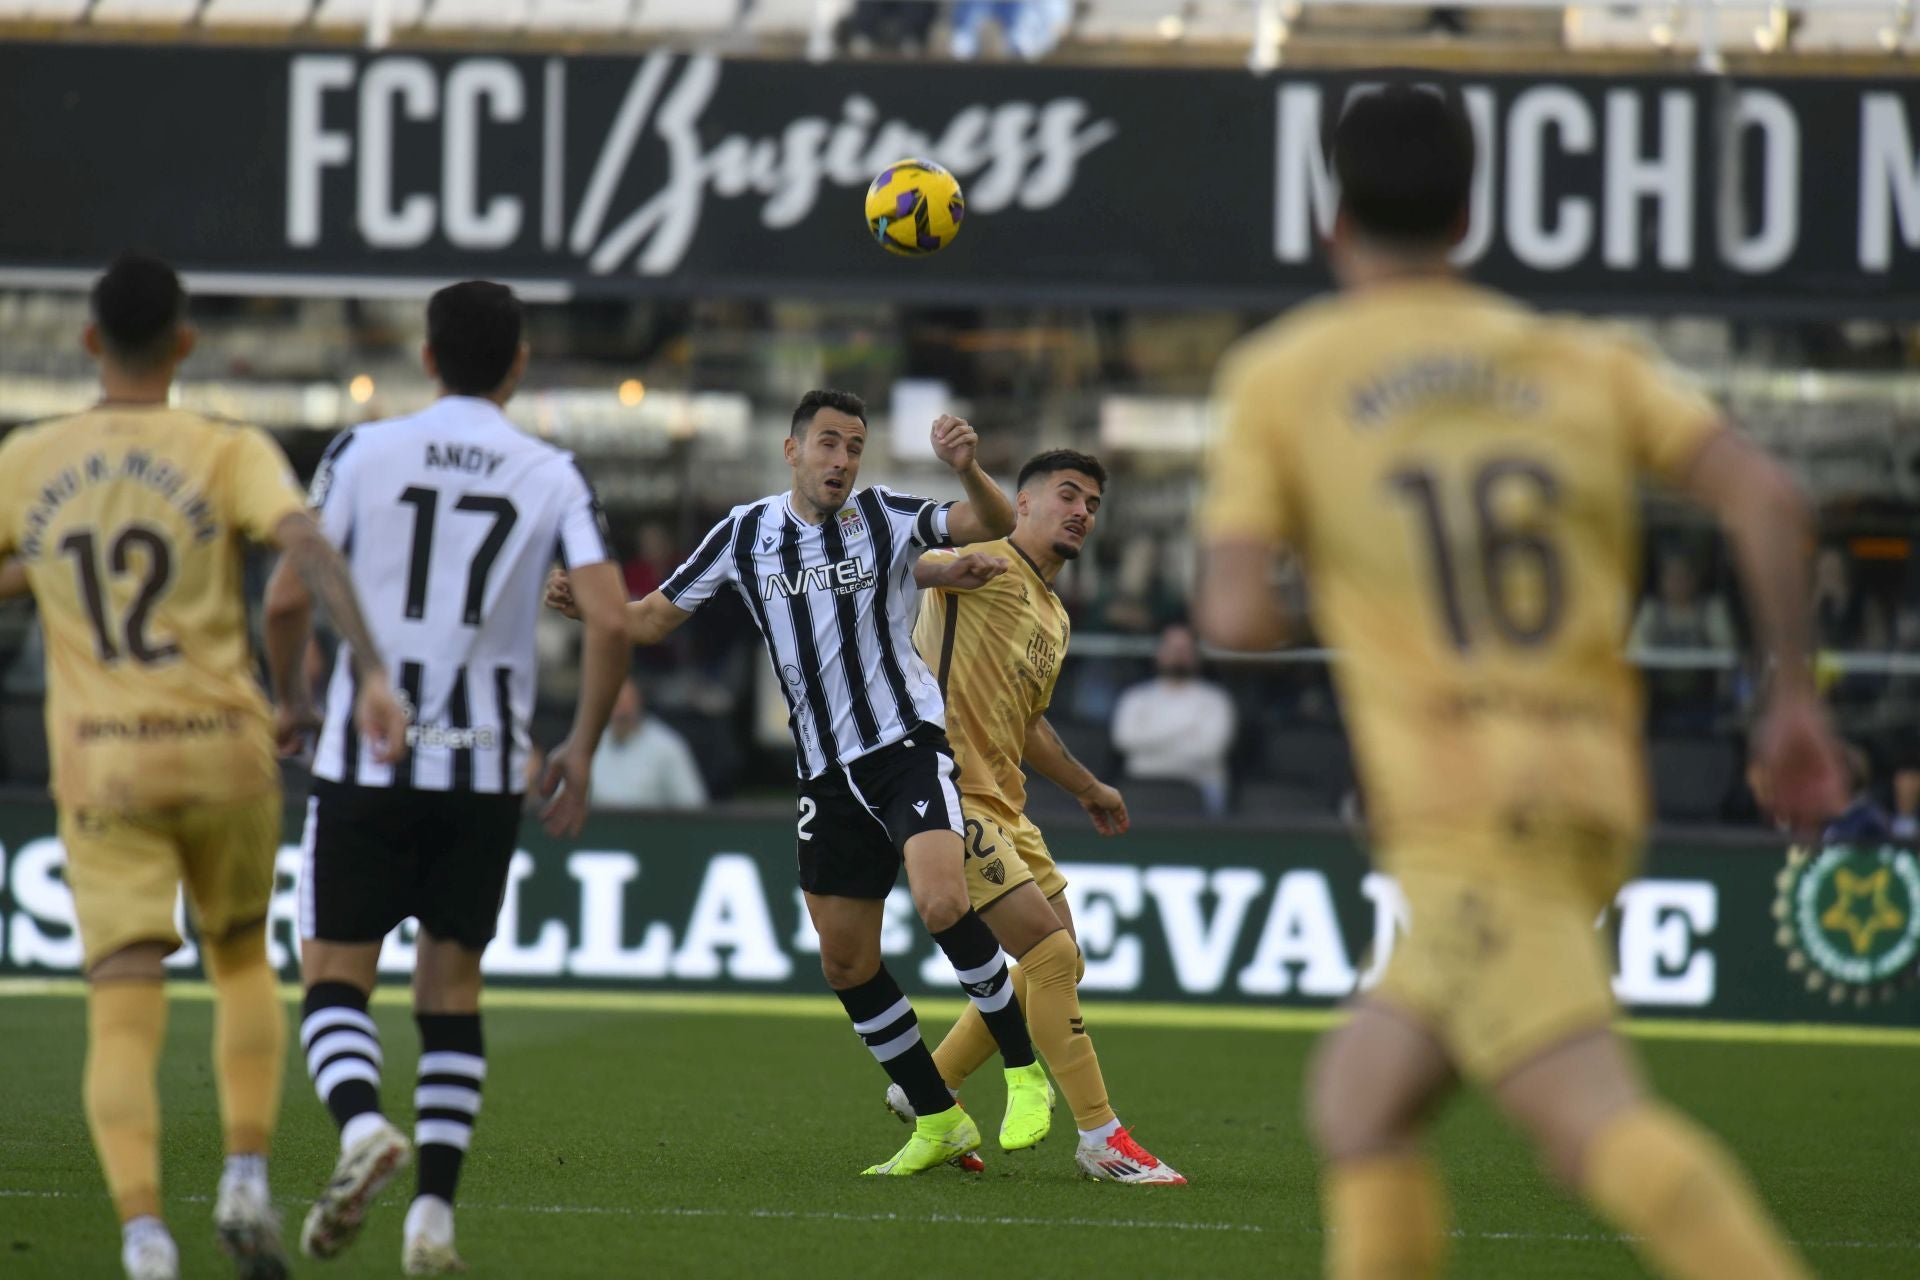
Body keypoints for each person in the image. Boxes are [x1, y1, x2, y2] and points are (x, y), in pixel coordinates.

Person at [1195, 87, 1844, 1280]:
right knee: (1359, 1102)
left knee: (1589, 1119)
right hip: (1591, 785)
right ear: (1470, 218)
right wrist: (1790, 699)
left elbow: (1232, 614)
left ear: (1333, 219)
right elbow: (1768, 496)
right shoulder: (1579, 360)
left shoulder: (1284, 376)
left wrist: (1346, 579)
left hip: (1464, 801)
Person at [0, 253, 408, 1280]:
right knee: (238, 963)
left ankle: (143, 1233)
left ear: (89, 342)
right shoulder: (225, 448)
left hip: (103, 769)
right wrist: (367, 671)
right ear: (185, 344)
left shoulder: (29, 457)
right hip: (225, 750)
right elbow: (307, 548)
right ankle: (243, 1176)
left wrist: (41, 574)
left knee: (122, 996)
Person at [547, 390, 1046, 1176]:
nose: (841, 460)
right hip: (824, 769)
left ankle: (1024, 1074)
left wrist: (969, 468)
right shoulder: (744, 534)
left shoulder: (882, 516)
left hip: (902, 743)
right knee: (845, 961)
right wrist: (592, 609)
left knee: (943, 900)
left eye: (853, 446)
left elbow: (993, 523)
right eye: (827, 444)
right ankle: (939, 1117)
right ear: (792, 451)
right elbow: (647, 621)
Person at [263, 281, 631, 1275]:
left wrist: (293, 698)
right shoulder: (550, 469)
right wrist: (583, 746)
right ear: (517, 365)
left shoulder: (362, 451)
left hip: (368, 755)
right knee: (451, 987)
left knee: (335, 974)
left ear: (426, 355)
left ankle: (356, 1131)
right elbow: (611, 615)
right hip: (480, 763)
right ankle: (431, 1214)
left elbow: (289, 592)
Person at [895, 448, 1186, 1183]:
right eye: (1066, 494)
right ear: (1020, 503)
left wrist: (1088, 787)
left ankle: (928, 1086)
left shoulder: (1053, 613)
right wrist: (961, 486)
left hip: (1008, 804)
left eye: (1091, 501)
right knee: (1050, 957)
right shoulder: (980, 559)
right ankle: (1102, 1137)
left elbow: (1028, 726)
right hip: (946, 790)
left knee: (1060, 960)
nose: (1082, 510)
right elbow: (908, 568)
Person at [1110, 622, 1237, 814]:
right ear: (1159, 653)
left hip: (1198, 790)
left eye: (1184, 649)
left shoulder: (1215, 700)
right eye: (1172, 648)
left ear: (1196, 655)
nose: (1178, 654)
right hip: (1142, 789)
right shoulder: (1135, 698)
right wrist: (1185, 731)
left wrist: (1147, 746)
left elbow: (1210, 750)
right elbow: (1123, 740)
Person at [590, 677, 708, 809]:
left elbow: (693, 806)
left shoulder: (668, 747)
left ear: (638, 703)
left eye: (625, 705)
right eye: (614, 705)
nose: (620, 713)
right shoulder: (589, 744)